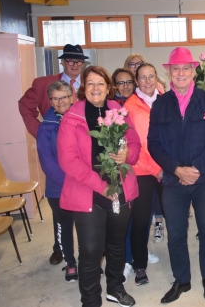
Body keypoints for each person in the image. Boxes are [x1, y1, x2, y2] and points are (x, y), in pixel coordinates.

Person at [147, 47, 205, 304]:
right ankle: (182, 280)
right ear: (168, 72)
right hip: (173, 181)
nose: (180, 73)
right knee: (176, 233)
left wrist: (196, 168)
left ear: (193, 71)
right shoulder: (160, 104)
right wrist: (176, 170)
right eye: (175, 68)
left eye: (185, 68)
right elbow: (153, 143)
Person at [58, 65, 141, 307]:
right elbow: (68, 160)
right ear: (84, 87)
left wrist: (127, 153)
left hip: (120, 188)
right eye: (91, 83)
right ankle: (91, 300)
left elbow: (134, 143)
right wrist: (100, 186)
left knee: (116, 244)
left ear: (108, 88)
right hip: (88, 191)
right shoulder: (73, 117)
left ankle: (115, 288)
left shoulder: (118, 111)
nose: (96, 88)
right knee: (91, 250)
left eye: (101, 83)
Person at [123, 63, 163, 286]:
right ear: (136, 81)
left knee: (176, 218)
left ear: (157, 78)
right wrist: (156, 170)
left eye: (151, 76)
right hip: (142, 170)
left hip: (168, 167)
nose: (148, 81)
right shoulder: (129, 106)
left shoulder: (166, 99)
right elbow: (134, 145)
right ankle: (139, 266)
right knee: (140, 221)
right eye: (143, 77)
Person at [37, 81, 77, 280]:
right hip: (58, 188)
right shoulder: (45, 128)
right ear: (50, 101)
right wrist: (70, 182)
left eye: (64, 97)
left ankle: (90, 263)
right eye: (55, 98)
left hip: (83, 186)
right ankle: (70, 262)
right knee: (64, 227)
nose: (60, 101)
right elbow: (47, 162)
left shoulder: (82, 119)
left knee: (88, 228)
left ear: (71, 97)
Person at [19, 44, 88, 138]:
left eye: (79, 61)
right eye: (70, 61)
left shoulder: (91, 85)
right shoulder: (43, 84)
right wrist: (40, 131)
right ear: (62, 62)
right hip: (55, 141)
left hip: (86, 139)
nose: (75, 65)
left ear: (83, 63)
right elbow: (25, 105)